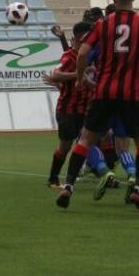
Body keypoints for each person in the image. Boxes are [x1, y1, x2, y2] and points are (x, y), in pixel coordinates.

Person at [56, 0, 139, 212]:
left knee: (86, 139)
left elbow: (83, 53)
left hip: (104, 92)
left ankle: (68, 186)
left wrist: (79, 78)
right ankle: (138, 189)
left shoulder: (103, 24)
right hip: (131, 95)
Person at [44, 21, 94, 188]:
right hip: (68, 110)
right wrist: (78, 74)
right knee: (65, 147)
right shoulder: (70, 56)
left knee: (88, 142)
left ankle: (78, 175)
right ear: (78, 39)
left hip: (85, 109)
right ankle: (53, 178)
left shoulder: (90, 57)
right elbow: (57, 74)